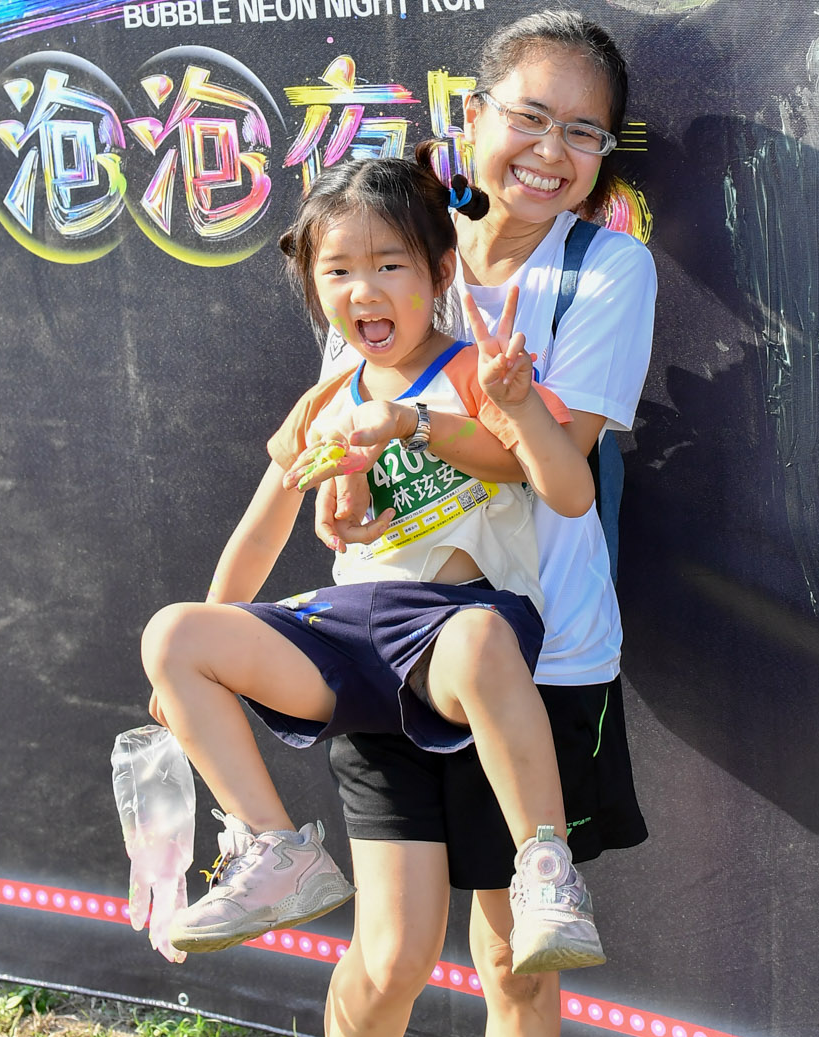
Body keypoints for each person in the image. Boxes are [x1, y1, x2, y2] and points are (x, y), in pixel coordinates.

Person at [286, 9, 656, 1037]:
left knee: (514, 953)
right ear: (471, 121)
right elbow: (344, 458)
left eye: (583, 131)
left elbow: (554, 468)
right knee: (387, 957)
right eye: (528, 116)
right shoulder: (390, 243)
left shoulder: (605, 271)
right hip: (393, 643)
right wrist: (345, 489)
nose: (551, 150)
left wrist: (444, 413)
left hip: (546, 657)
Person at [140, 153, 609, 987]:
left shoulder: (476, 373)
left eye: (389, 265)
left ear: (438, 273)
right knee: (174, 634)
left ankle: (544, 872)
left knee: (477, 640)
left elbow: (569, 494)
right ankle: (277, 854)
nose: (364, 290)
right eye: (338, 271)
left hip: (460, 628)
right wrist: (187, 672)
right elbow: (260, 533)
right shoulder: (322, 404)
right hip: (353, 636)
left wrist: (501, 406)